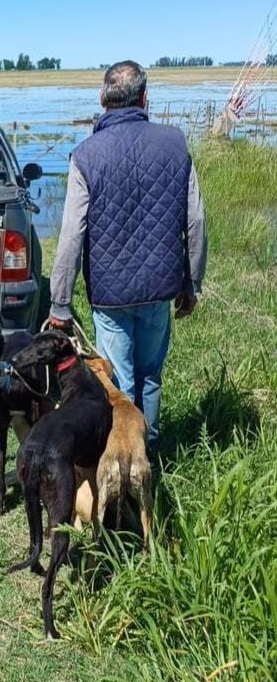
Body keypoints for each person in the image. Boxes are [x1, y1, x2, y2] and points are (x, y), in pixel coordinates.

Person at [48, 60, 207, 457]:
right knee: (150, 377)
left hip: (110, 296)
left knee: (118, 386)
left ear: (102, 100)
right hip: (160, 289)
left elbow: (70, 235)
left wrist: (59, 303)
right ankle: (147, 457)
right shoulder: (175, 142)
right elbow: (197, 221)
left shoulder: (85, 155)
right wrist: (193, 283)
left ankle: (122, 471)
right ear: (145, 97)